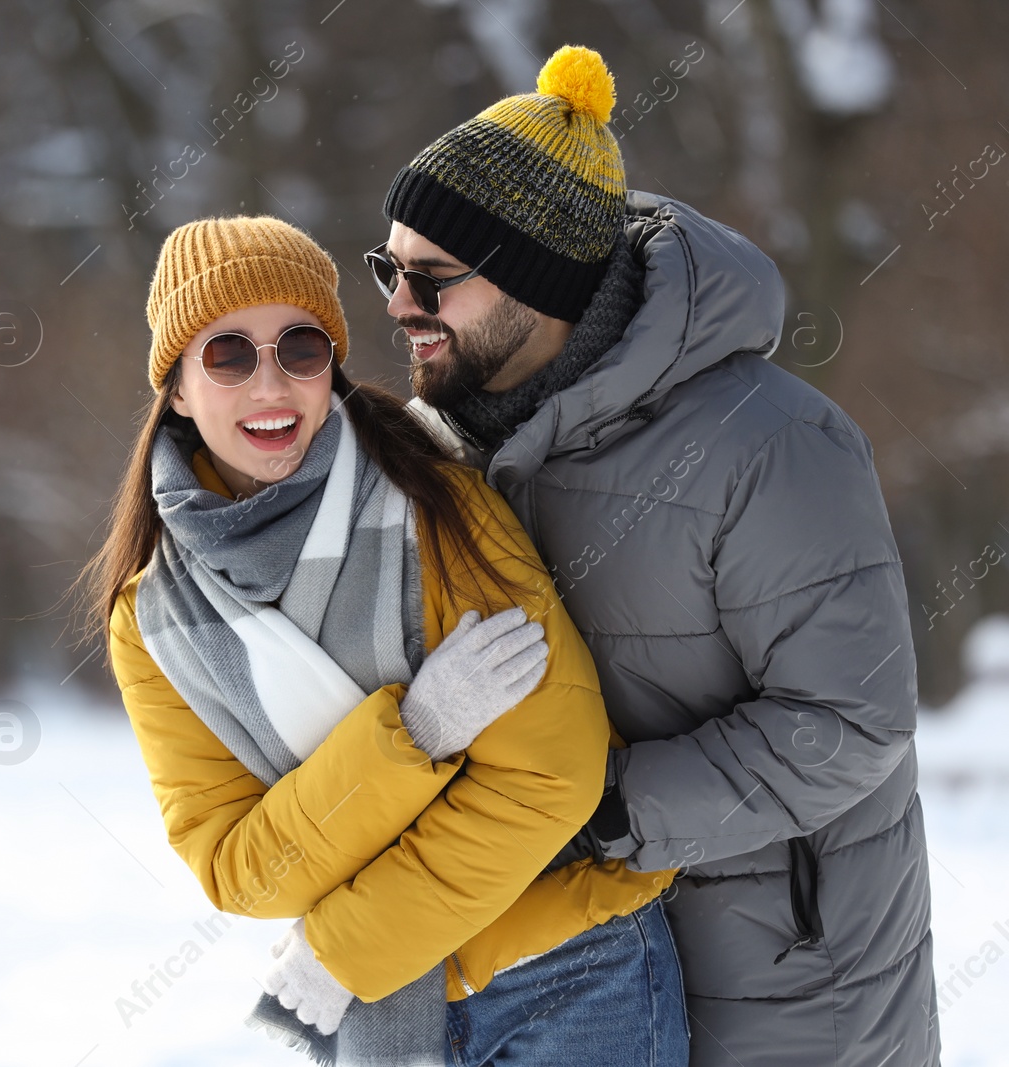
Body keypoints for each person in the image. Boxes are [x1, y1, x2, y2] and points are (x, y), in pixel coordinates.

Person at [371, 43, 938, 1066]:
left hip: (783, 990)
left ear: (540, 281)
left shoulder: (767, 444)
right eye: (389, 268)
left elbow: (851, 720)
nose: (400, 304)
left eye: (432, 277)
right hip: (566, 978)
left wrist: (602, 805)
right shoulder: (445, 447)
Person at [76, 213, 687, 1066]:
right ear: (175, 385)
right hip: (379, 1009)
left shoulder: (435, 506)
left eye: (300, 347)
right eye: (227, 354)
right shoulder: (154, 623)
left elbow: (553, 779)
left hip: (569, 973)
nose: (270, 384)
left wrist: (342, 949)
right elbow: (241, 866)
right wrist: (416, 736)